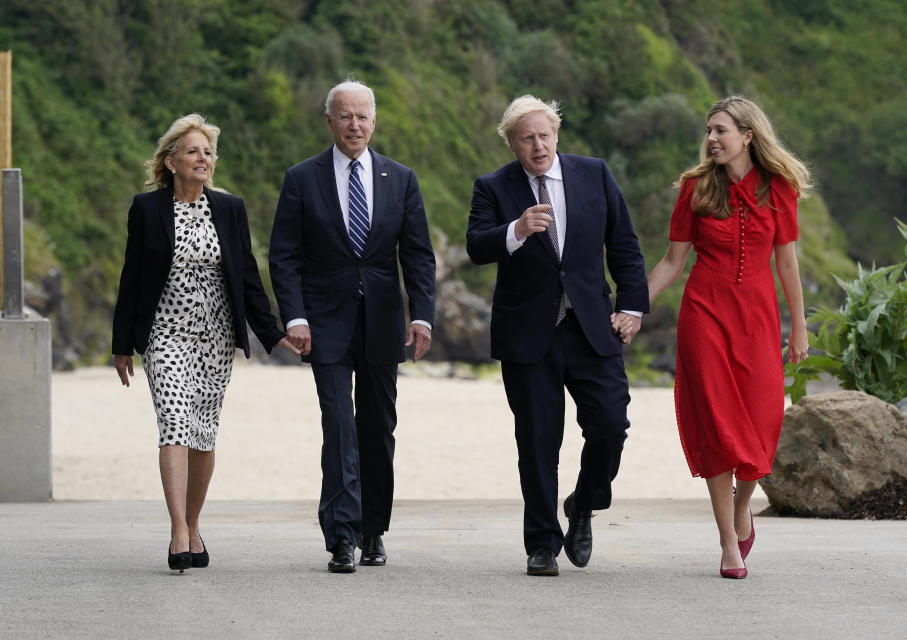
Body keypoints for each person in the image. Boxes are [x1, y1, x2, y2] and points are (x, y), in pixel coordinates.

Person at [466, 96, 649, 576]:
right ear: (512, 144)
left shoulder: (594, 174)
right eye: (526, 137)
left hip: (592, 328)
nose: (537, 144)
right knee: (538, 441)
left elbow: (625, 246)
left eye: (544, 134)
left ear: (557, 135)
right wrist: (516, 229)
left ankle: (584, 503)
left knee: (611, 426)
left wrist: (631, 307)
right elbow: (476, 245)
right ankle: (542, 545)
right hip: (528, 333)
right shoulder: (493, 187)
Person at [112, 114, 299, 573]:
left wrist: (273, 332)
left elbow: (247, 277)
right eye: (194, 151)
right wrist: (122, 345)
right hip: (165, 333)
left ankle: (195, 524)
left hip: (215, 337)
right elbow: (132, 277)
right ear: (172, 160)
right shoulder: (147, 209)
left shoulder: (230, 209)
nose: (203, 159)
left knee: (203, 432)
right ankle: (178, 531)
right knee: (175, 421)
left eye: (209, 152)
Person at [269, 80, 436, 573]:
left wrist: (422, 314)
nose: (355, 125)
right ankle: (341, 536)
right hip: (324, 325)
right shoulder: (302, 179)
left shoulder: (400, 178)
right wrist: (295, 316)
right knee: (339, 427)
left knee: (378, 430)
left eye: (363, 116)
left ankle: (373, 530)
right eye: (345, 116)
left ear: (374, 121)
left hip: (385, 323)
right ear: (329, 122)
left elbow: (419, 256)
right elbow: (284, 257)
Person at [645, 95, 810, 579]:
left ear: (747, 137)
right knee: (717, 428)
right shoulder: (695, 189)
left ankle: (743, 508)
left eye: (721, 130)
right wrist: (633, 307)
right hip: (704, 317)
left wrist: (798, 325)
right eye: (709, 130)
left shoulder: (779, 189)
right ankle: (727, 543)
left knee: (762, 428)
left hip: (757, 321)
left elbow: (787, 263)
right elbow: (673, 263)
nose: (712, 139)